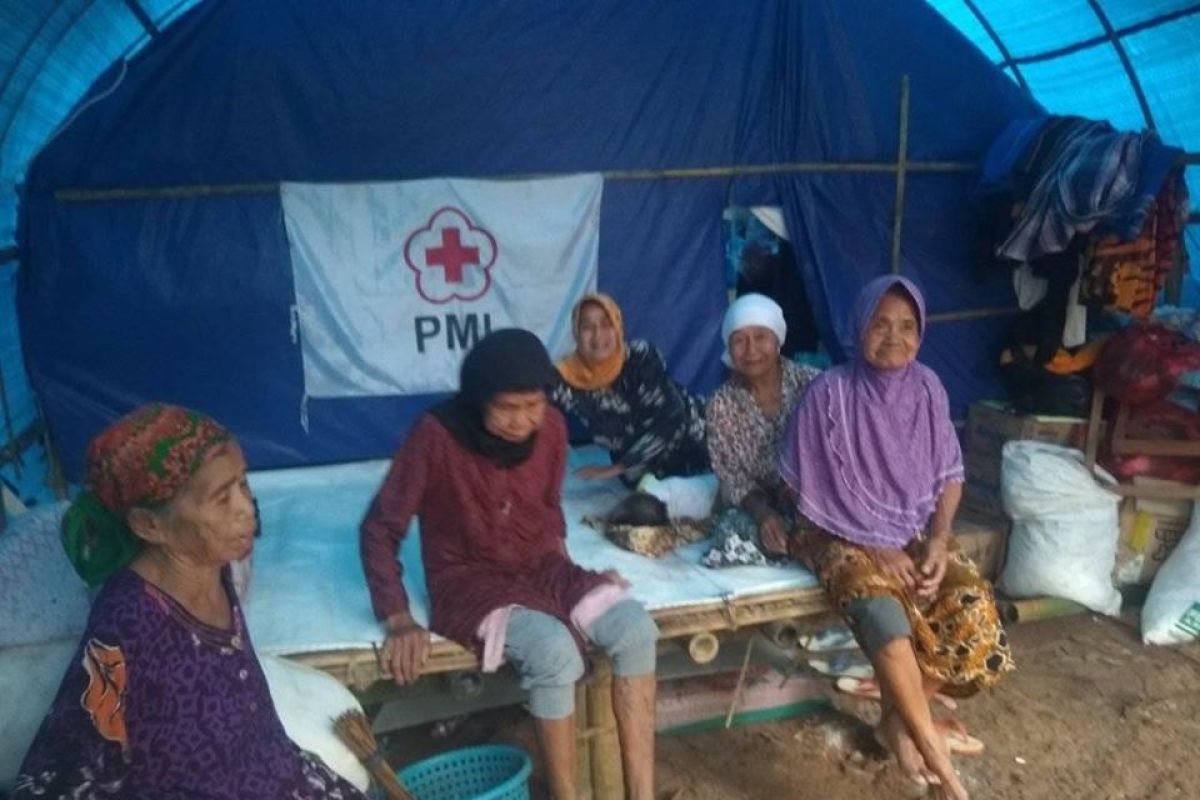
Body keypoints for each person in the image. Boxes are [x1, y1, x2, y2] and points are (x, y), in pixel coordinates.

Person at [361, 329, 660, 800]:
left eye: (533, 406)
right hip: (467, 578)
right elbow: (380, 528)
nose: (523, 421)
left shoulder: (554, 429)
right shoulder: (436, 435)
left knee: (635, 628)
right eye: (507, 408)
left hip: (543, 564)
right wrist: (397, 617)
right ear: (478, 399)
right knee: (552, 650)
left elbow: (547, 507)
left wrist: (568, 574)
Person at [13, 404, 365, 800]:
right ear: (149, 525)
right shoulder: (127, 622)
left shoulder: (217, 568)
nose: (246, 508)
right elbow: (61, 774)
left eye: (243, 485)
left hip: (274, 771)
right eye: (221, 499)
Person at [782, 276, 1015, 800]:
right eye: (880, 323)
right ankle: (934, 754)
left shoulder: (928, 386)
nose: (894, 337)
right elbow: (809, 495)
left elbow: (950, 472)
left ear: (922, 332)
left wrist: (938, 539)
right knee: (885, 617)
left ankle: (895, 721)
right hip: (833, 533)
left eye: (908, 326)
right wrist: (872, 544)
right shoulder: (829, 394)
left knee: (973, 611)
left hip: (912, 530)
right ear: (858, 327)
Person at [703, 293, 820, 567]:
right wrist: (764, 515)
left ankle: (808, 545)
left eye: (761, 337)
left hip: (816, 501)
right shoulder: (721, 404)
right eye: (739, 340)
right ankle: (796, 547)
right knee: (730, 533)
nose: (751, 350)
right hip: (760, 503)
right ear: (729, 349)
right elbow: (733, 480)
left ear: (778, 340)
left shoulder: (813, 385)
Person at [552, 292, 708, 484]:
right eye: (587, 327)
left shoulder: (640, 357)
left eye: (606, 323)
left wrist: (617, 468)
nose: (597, 335)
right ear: (576, 333)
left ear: (618, 327)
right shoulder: (568, 376)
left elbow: (671, 416)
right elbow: (531, 402)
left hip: (701, 444)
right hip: (641, 470)